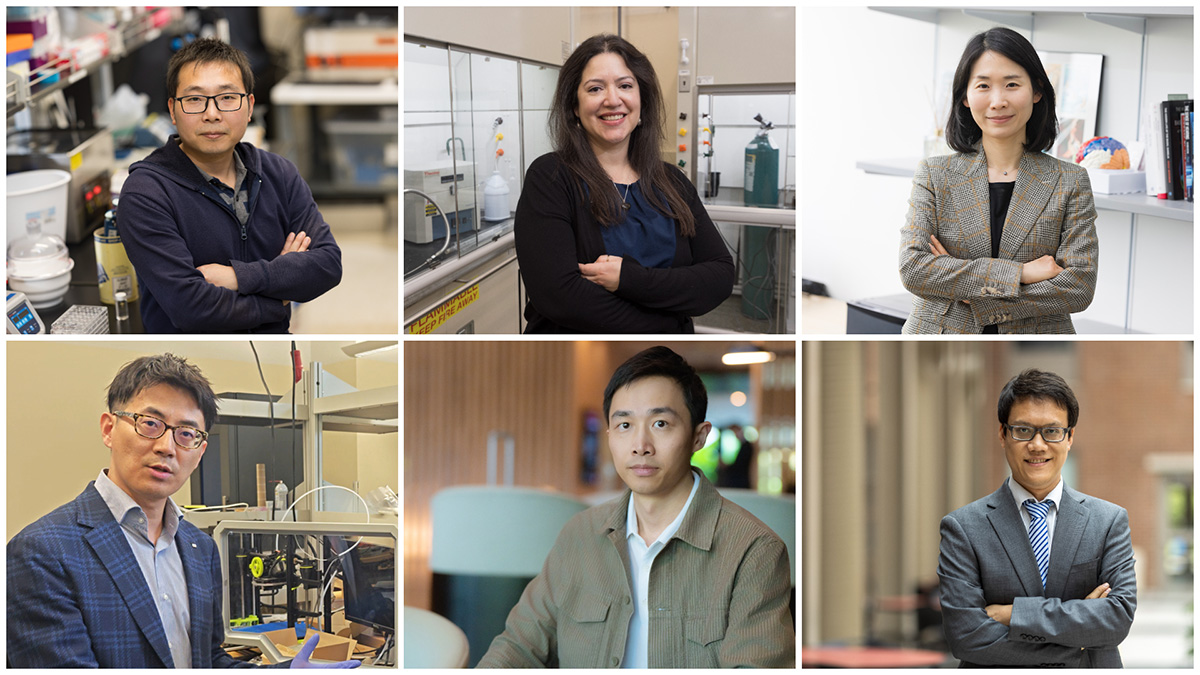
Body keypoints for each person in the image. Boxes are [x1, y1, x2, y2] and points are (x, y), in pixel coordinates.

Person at [7, 354, 358, 668]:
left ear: (200, 450)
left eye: (187, 433)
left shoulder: (199, 547)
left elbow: (210, 660)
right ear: (109, 429)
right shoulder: (43, 553)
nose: (166, 447)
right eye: (149, 423)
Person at [477, 346, 794, 667]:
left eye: (660, 424)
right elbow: (519, 645)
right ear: (610, 436)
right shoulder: (579, 534)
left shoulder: (754, 551)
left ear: (699, 437)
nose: (640, 446)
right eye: (625, 426)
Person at [119, 38, 342, 333]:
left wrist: (239, 277)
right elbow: (192, 309)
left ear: (249, 107)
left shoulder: (278, 173)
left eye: (227, 98)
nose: (212, 114)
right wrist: (281, 296)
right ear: (173, 111)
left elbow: (327, 265)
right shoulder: (146, 194)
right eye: (195, 99)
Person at [515, 34, 735, 333]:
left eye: (625, 85)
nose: (612, 99)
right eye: (595, 88)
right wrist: (670, 322)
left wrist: (627, 279)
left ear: (642, 102)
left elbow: (719, 276)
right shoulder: (551, 177)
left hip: (663, 354)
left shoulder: (673, 182)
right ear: (575, 107)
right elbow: (562, 297)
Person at [899, 27, 1098, 334]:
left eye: (1012, 84)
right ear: (965, 96)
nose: (997, 101)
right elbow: (914, 269)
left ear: (1037, 91)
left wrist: (976, 295)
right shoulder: (934, 174)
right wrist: (1023, 272)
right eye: (983, 86)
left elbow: (1078, 286)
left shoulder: (1069, 181)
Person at [937, 369, 1136, 667]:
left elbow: (1117, 619)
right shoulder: (963, 528)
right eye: (1023, 430)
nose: (1038, 445)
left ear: (1069, 438)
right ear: (1003, 434)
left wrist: (1013, 614)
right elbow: (966, 637)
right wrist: (1079, 645)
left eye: (1052, 431)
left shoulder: (1108, 522)